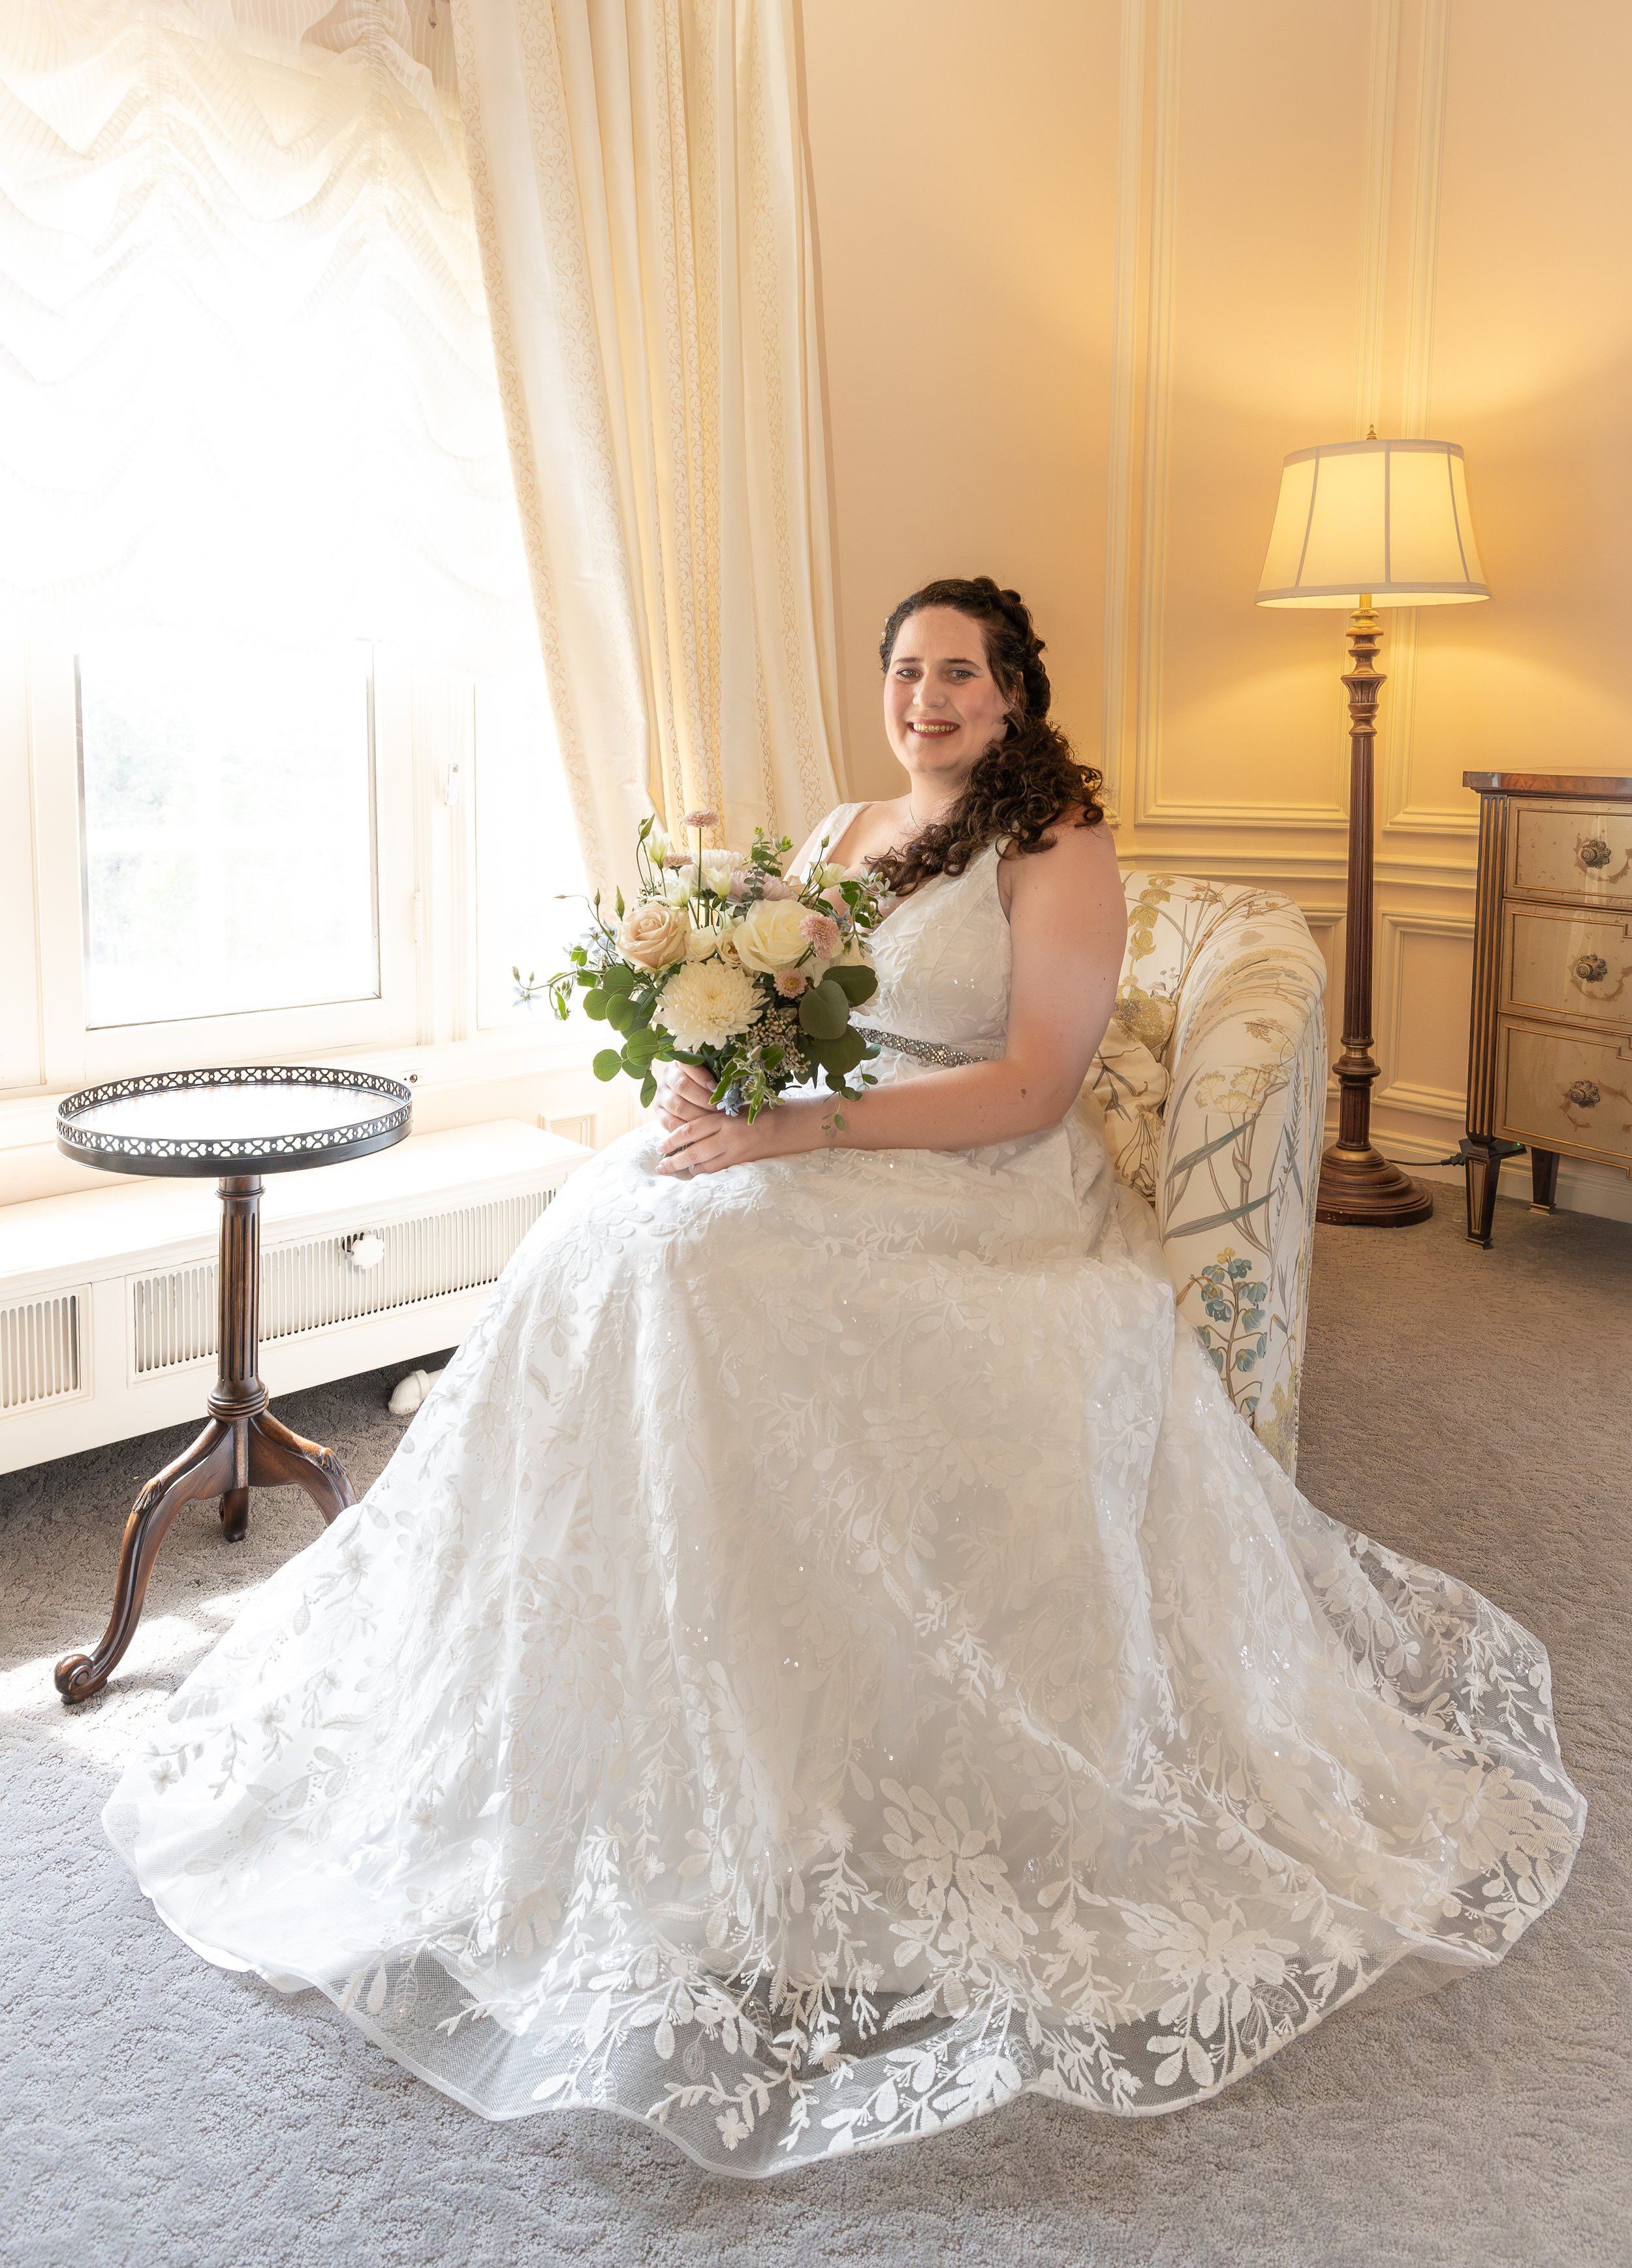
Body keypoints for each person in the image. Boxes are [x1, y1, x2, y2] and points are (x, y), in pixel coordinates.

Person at [105, 576, 1583, 2177]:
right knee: (608, 1225)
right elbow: (779, 1023)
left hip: (979, 1178)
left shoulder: (1055, 842)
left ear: (1011, 694)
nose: (924, 696)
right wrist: (705, 1078)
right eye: (904, 669)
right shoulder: (840, 830)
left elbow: (1034, 1086)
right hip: (808, 1136)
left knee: (701, 1276)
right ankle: (615, 1638)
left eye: (957, 672)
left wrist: (798, 1132)